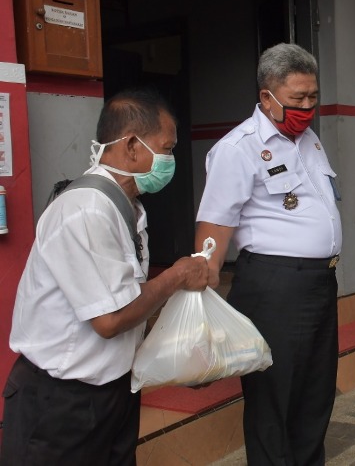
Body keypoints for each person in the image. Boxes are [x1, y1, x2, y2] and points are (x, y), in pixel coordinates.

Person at [1, 89, 209, 466]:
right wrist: (177, 275)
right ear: (131, 145)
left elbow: (131, 299)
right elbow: (111, 319)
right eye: (167, 148)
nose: (171, 159)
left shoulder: (126, 207)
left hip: (112, 393)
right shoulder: (86, 210)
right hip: (62, 403)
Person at [194, 43, 341, 465]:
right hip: (273, 287)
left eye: (313, 97)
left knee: (316, 391)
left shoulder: (309, 140)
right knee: (273, 400)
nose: (308, 107)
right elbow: (214, 227)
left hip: (318, 282)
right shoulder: (237, 148)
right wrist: (202, 297)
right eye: (297, 99)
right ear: (267, 97)